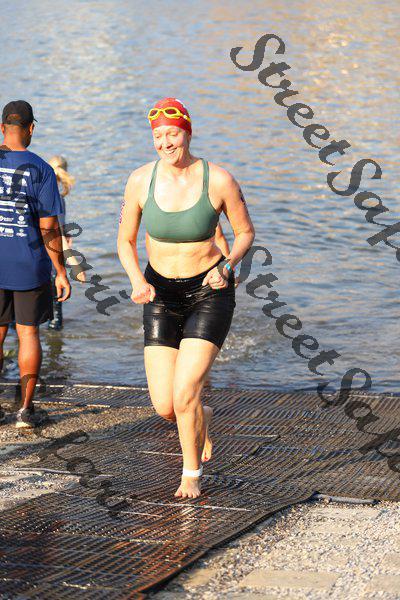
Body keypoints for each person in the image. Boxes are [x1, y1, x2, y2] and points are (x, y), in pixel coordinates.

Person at [118, 97, 255, 499]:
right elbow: (125, 241)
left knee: (184, 393)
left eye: (173, 134)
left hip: (209, 291)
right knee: (165, 405)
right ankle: (201, 414)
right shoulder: (140, 180)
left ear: (188, 133)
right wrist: (136, 280)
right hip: (159, 293)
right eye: (158, 136)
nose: (166, 143)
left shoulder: (219, 180)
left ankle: (191, 473)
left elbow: (245, 233)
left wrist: (227, 265)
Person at [0, 100, 70, 428]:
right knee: (28, 334)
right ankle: (25, 412)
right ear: (31, 129)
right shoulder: (41, 169)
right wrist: (60, 271)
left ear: (2, 128)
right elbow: (49, 228)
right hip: (28, 265)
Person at [47, 155, 85, 330]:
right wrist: (75, 265)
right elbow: (57, 233)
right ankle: (55, 340)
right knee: (56, 312)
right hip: (53, 258)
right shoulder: (58, 198)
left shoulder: (42, 193)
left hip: (36, 258)